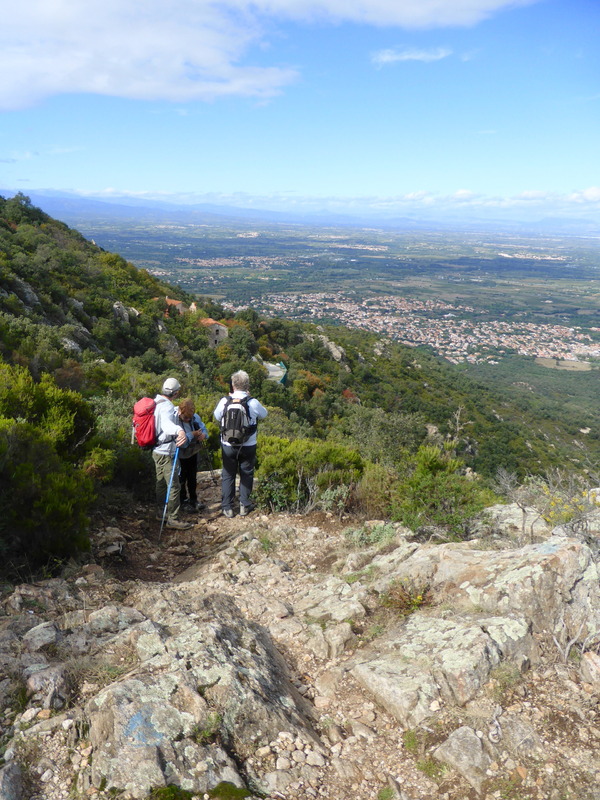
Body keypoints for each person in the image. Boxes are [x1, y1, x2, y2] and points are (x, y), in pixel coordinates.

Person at [213, 370, 267, 518]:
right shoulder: (252, 402)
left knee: (228, 474)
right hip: (248, 445)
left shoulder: (225, 401)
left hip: (228, 445)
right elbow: (264, 414)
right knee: (246, 473)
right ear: (247, 385)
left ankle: (227, 508)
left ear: (233, 385)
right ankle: (244, 504)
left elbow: (217, 416)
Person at [153, 377, 192, 530]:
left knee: (161, 482)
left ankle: (160, 512)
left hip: (156, 449)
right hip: (166, 451)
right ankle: (173, 519)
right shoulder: (167, 406)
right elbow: (167, 425)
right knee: (174, 486)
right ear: (175, 393)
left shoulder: (155, 403)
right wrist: (179, 430)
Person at [177, 397, 208, 512]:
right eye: (185, 418)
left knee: (192, 477)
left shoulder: (195, 418)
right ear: (180, 412)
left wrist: (203, 435)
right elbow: (181, 443)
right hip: (180, 454)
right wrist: (192, 434)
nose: (187, 420)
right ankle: (183, 500)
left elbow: (204, 430)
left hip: (193, 453)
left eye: (189, 418)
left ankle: (193, 499)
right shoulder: (175, 419)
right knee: (181, 478)